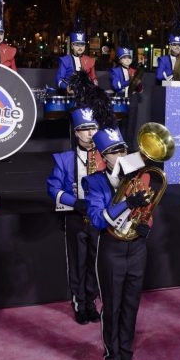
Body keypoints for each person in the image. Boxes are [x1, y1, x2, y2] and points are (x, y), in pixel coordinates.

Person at [82, 124, 157, 360]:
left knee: (131, 305)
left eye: (123, 149)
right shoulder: (94, 181)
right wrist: (127, 203)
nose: (121, 154)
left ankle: (126, 354)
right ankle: (112, 357)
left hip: (137, 248)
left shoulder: (141, 177)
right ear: (104, 157)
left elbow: (148, 211)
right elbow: (96, 220)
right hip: (111, 249)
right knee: (112, 306)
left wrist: (147, 225)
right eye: (114, 152)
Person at [47, 106, 106, 325]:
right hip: (75, 217)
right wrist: (74, 202)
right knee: (77, 263)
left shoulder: (104, 156)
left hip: (98, 219)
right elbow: (52, 189)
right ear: (76, 132)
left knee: (94, 262)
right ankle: (79, 303)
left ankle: (91, 302)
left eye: (93, 128)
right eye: (85, 129)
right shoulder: (64, 159)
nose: (90, 133)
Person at [110, 42, 143, 150]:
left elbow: (140, 90)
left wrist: (138, 83)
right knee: (121, 125)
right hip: (120, 100)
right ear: (119, 59)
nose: (127, 60)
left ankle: (130, 149)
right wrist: (129, 81)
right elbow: (116, 86)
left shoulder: (134, 71)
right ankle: (119, 148)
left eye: (129, 57)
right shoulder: (115, 71)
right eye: (124, 57)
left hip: (133, 99)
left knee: (132, 125)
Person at [55, 18, 98, 91]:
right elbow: (59, 79)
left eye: (82, 45)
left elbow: (93, 77)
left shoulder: (90, 60)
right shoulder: (65, 60)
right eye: (77, 45)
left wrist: (94, 83)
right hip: (69, 94)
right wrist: (67, 87)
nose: (80, 47)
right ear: (72, 46)